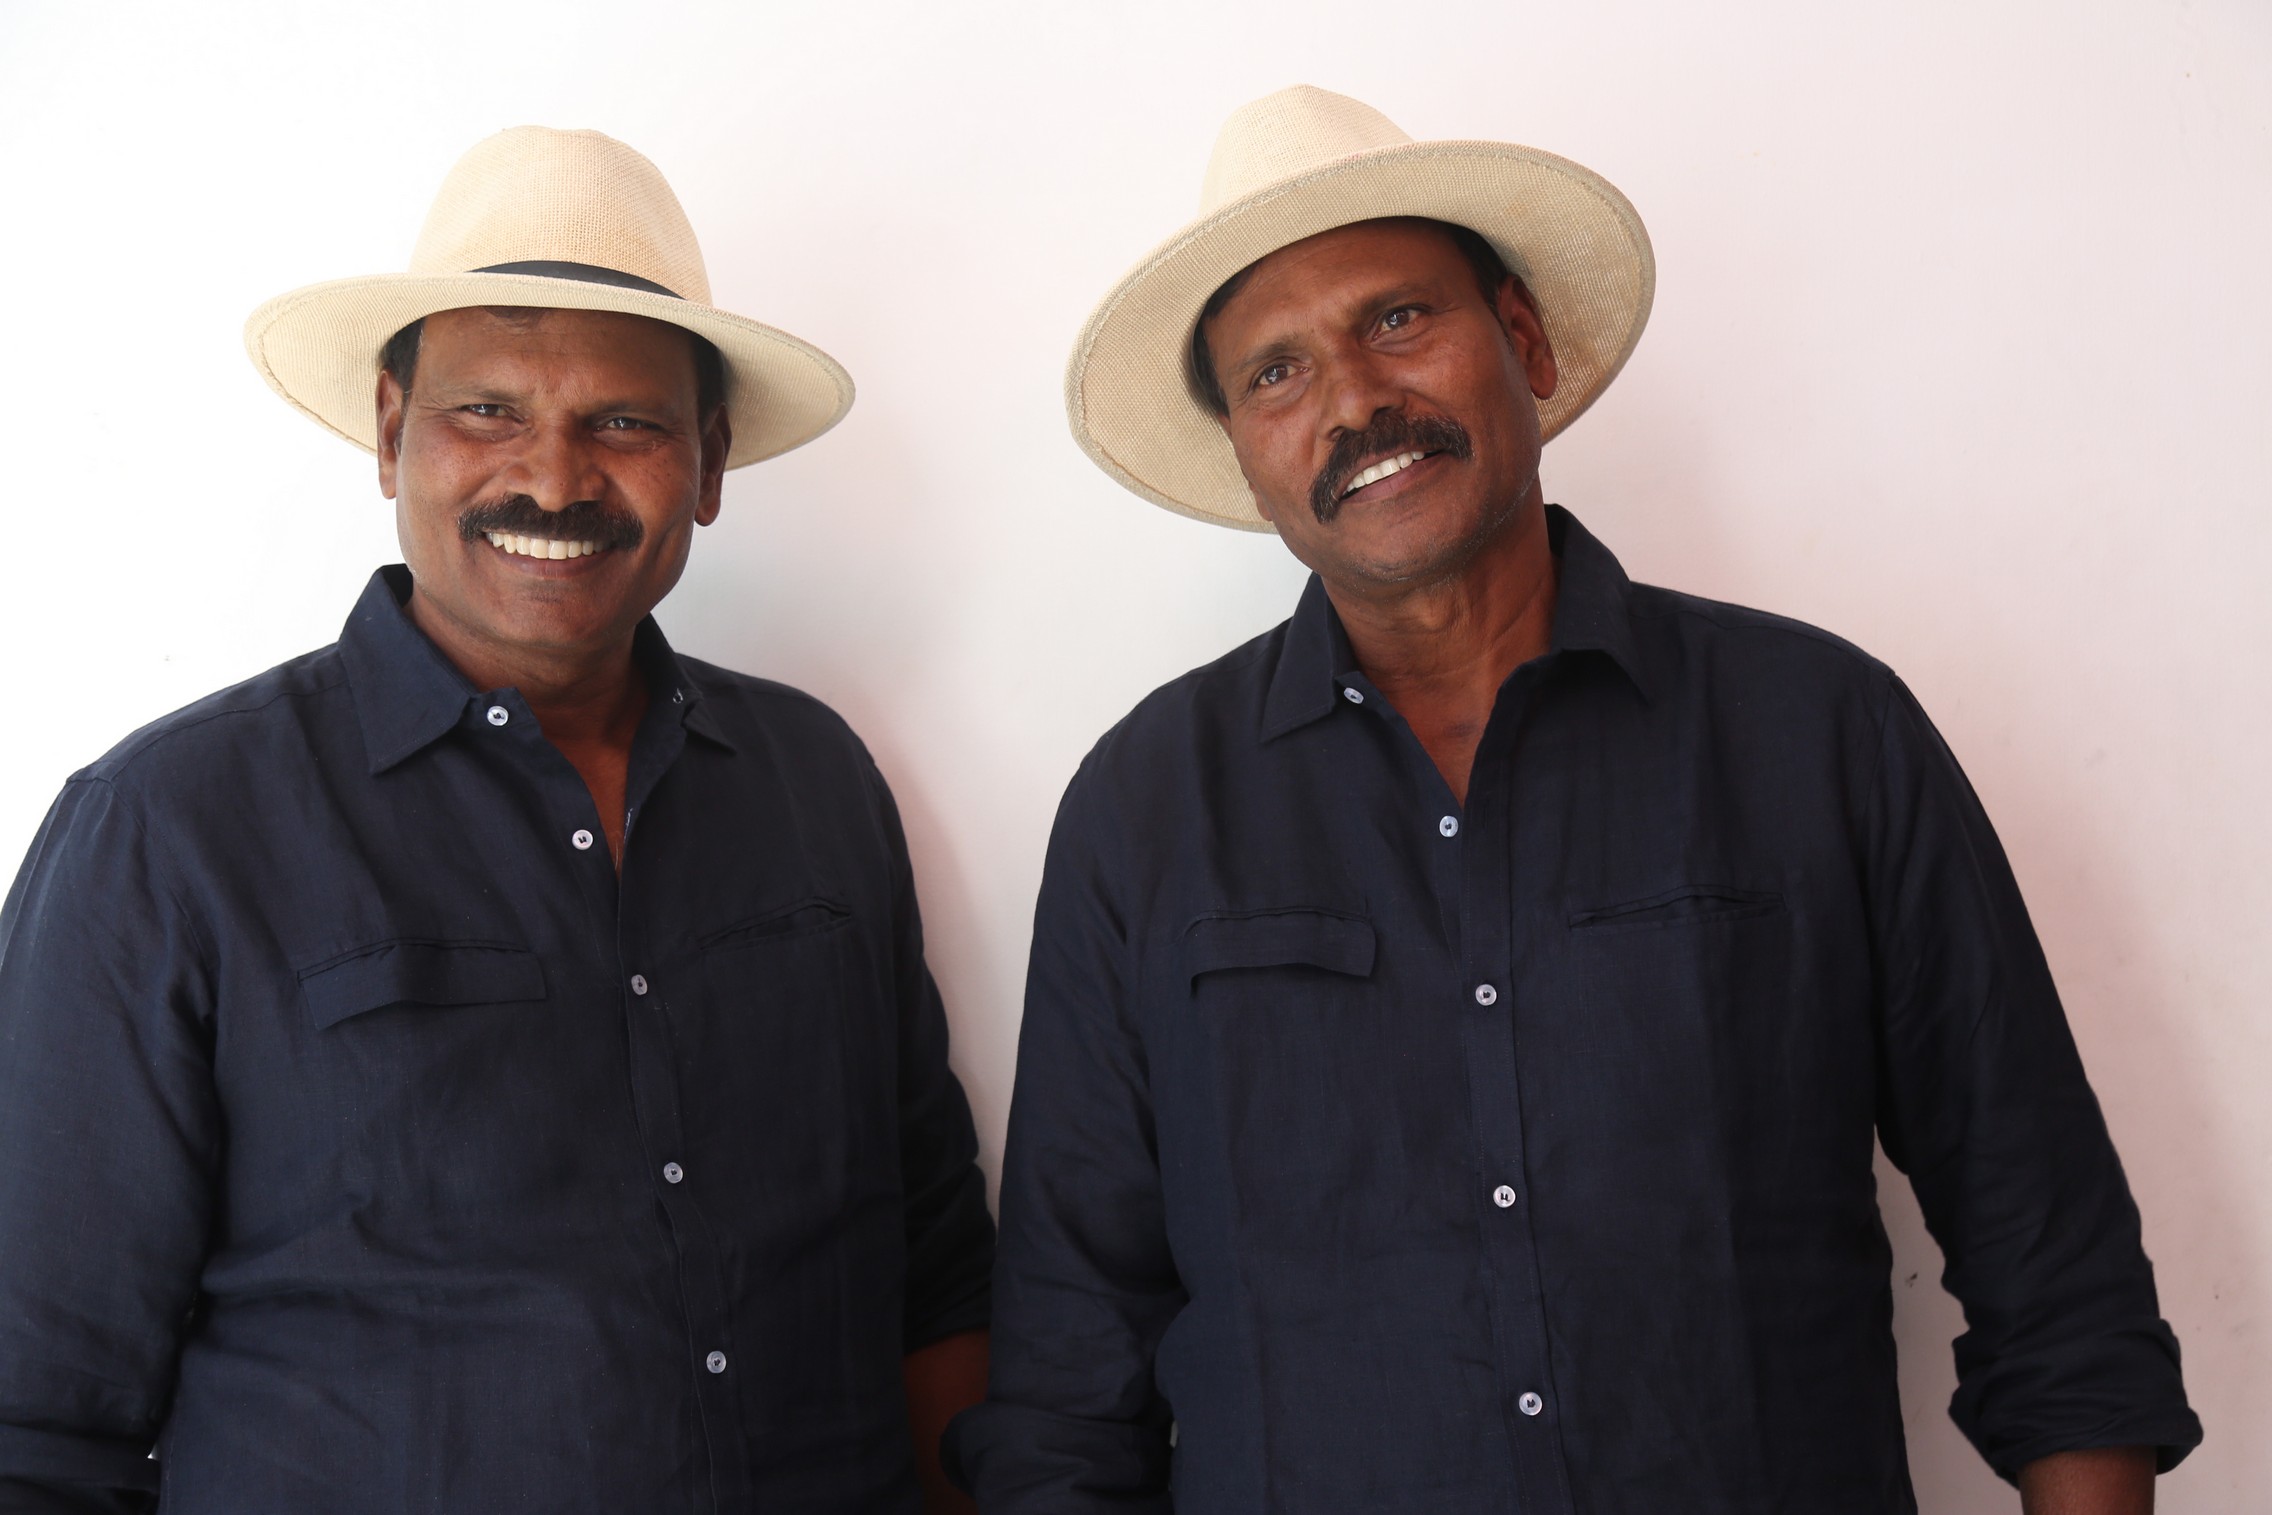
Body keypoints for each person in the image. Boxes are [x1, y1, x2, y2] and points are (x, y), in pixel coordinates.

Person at [948, 86, 2200, 1514]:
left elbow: (2054, 1265)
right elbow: (1069, 1376)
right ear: (1246, 450)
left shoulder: (1820, 733)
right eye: (1276, 374)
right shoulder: (1144, 810)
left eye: (1399, 320)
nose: (1355, 399)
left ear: (1524, 343)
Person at [0, 127, 992, 1513]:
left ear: (708, 464)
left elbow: (935, 1272)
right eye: (488, 413)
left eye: (626, 423)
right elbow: (41, 1418)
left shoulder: (813, 782)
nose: (554, 479)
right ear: (391, 430)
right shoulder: (165, 835)